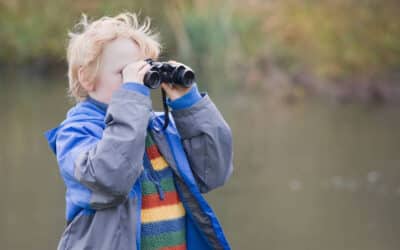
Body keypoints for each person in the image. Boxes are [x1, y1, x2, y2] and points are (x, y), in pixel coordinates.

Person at [44, 12, 233, 250]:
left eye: (145, 72)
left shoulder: (160, 127)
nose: (139, 82)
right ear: (87, 78)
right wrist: (132, 96)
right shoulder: (76, 132)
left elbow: (213, 172)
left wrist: (189, 105)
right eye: (126, 73)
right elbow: (109, 179)